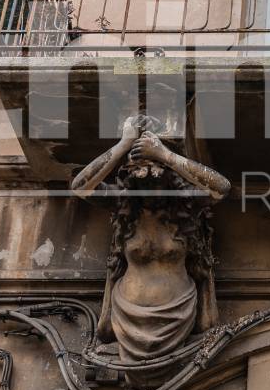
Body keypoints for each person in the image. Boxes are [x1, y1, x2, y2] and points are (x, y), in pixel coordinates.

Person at [72, 116, 230, 365]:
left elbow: (221, 187)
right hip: (127, 315)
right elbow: (80, 186)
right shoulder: (123, 205)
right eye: (138, 165)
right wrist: (124, 144)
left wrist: (165, 154)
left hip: (177, 312)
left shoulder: (185, 205)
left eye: (151, 164)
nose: (144, 171)